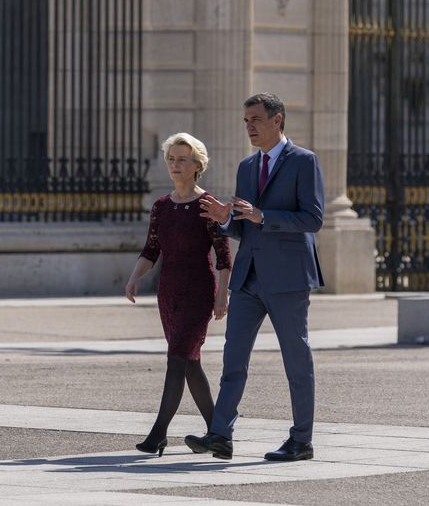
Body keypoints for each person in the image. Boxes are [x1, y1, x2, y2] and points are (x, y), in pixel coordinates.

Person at [186, 92, 324, 462]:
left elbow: (313, 219)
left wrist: (265, 216)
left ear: (278, 119)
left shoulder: (304, 162)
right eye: (246, 120)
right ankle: (220, 434)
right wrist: (225, 219)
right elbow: (245, 227)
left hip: (288, 278)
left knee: (296, 360)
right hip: (248, 278)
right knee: (233, 359)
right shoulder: (247, 166)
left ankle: (301, 440)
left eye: (256, 119)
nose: (249, 126)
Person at [125, 132, 232, 457]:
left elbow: (223, 255)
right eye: (171, 158)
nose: (175, 164)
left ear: (197, 165)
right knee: (189, 364)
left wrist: (222, 295)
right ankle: (221, 435)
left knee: (177, 358)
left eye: (182, 159)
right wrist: (133, 279)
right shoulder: (161, 206)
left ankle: (158, 434)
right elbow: (151, 250)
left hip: (199, 290)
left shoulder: (206, 205)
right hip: (168, 292)